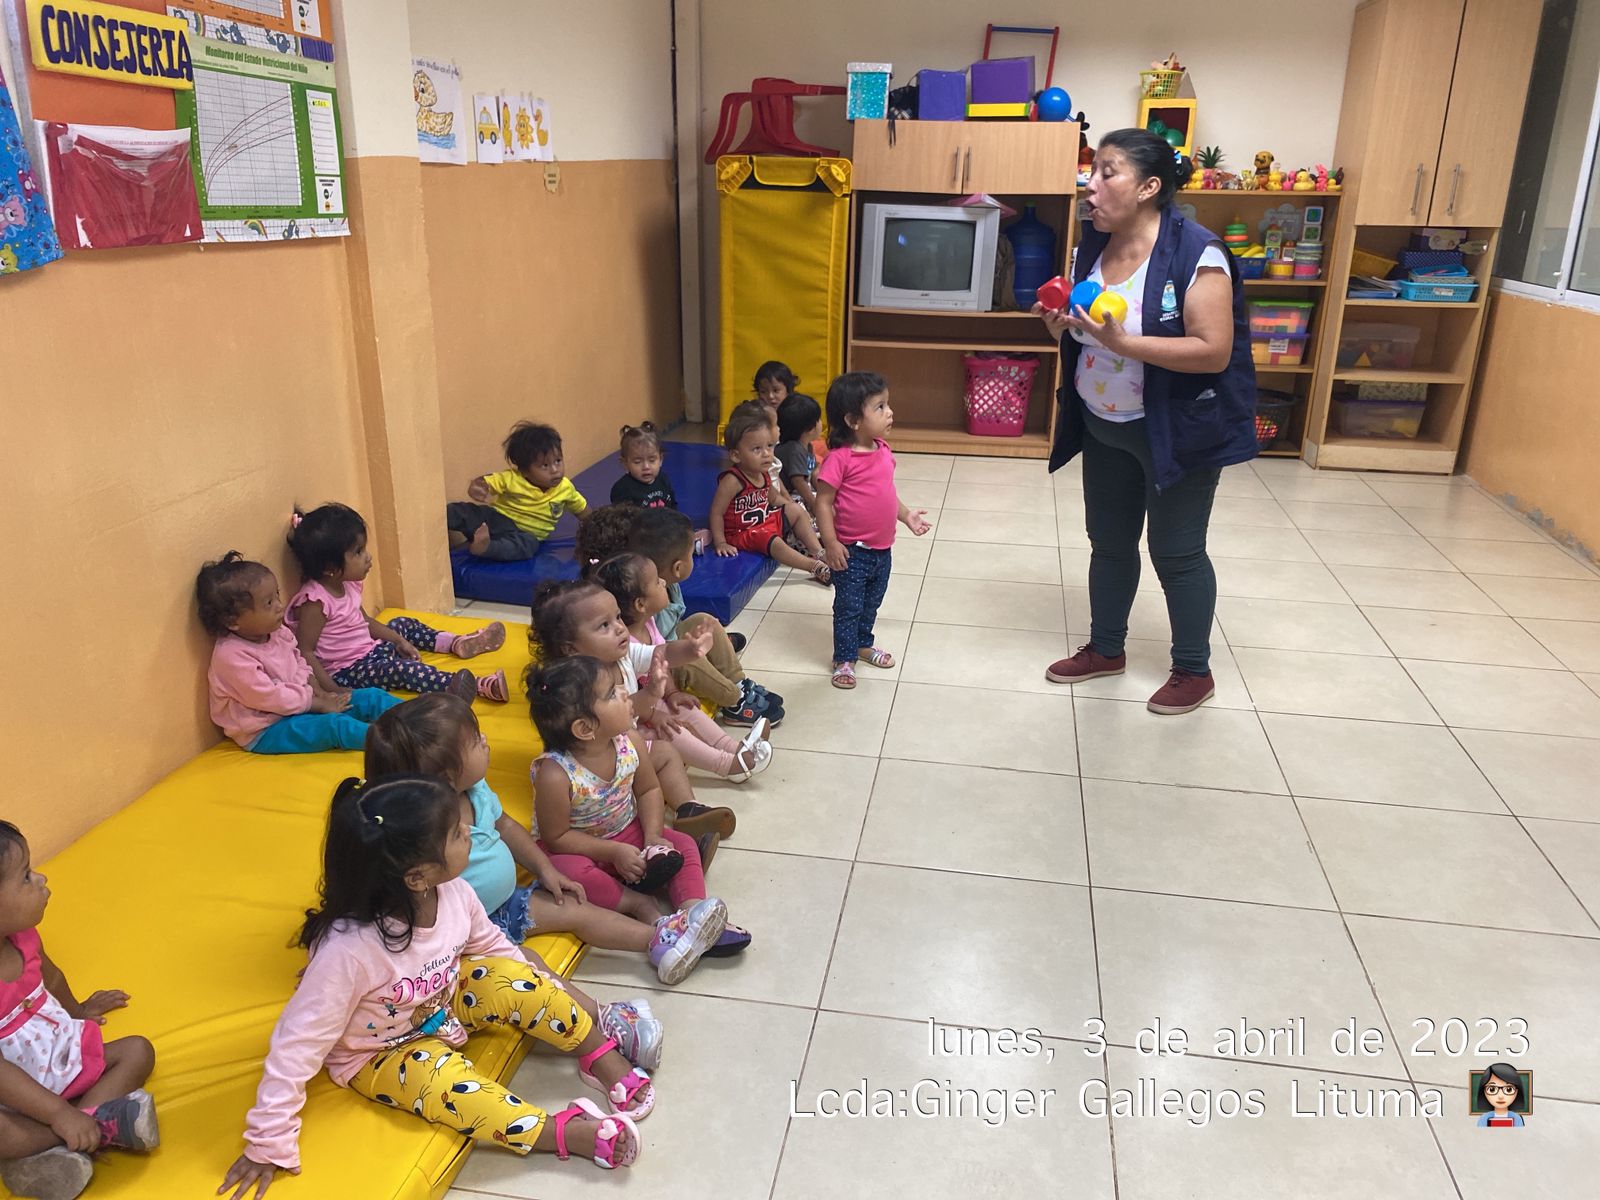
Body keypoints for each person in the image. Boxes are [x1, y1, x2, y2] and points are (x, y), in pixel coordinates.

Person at [218, 776, 644, 1199]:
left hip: (443, 1004)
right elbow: (296, 1045)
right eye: (457, 833)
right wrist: (268, 1140)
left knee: (515, 973)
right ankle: (561, 1132)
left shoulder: (454, 892)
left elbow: (496, 949)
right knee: (451, 1088)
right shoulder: (348, 952)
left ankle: (598, 1053)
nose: (470, 833)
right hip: (382, 1052)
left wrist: (543, 996)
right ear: (417, 877)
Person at [1033, 127, 1258, 715]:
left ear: (1149, 187)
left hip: (1175, 429)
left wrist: (1125, 345)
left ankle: (1194, 671)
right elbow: (1090, 329)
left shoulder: (1198, 253)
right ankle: (1106, 649)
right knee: (1108, 543)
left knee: (1177, 552)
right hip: (1102, 421)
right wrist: (1061, 328)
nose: (1091, 186)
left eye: (1107, 172)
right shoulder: (1092, 245)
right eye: (1092, 172)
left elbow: (1213, 350)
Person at [363, 695, 727, 1004]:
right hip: (468, 932)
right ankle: (596, 1017)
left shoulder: (474, 791)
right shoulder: (424, 834)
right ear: (446, 778)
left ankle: (664, 940)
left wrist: (545, 869)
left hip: (508, 903)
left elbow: (507, 827)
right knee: (529, 966)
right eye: (474, 741)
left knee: (577, 909)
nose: (485, 740)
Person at [528, 657, 750, 958]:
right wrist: (613, 852)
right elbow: (557, 838)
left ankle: (694, 914)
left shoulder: (629, 741)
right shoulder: (555, 774)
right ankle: (639, 904)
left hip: (627, 830)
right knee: (563, 871)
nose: (625, 692)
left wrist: (653, 836)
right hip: (582, 848)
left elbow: (648, 789)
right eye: (612, 693)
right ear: (585, 728)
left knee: (683, 843)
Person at [0, 822, 158, 1200]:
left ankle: (67, 1143)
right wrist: (59, 1114)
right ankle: (96, 1127)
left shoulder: (23, 936)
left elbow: (51, 978)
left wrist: (79, 1011)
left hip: (58, 1054)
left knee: (138, 1050)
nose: (41, 879)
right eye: (25, 877)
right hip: (14, 1094)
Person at [528, 581, 741, 840]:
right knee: (667, 744)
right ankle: (721, 766)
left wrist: (690, 649)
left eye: (617, 617)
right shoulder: (576, 686)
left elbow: (661, 653)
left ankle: (689, 809)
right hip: (594, 755)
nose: (620, 627)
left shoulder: (623, 655)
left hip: (623, 737)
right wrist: (651, 696)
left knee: (669, 744)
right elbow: (617, 716)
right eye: (604, 625)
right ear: (571, 648)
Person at [286, 504, 509, 702]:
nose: (368, 557)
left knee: (402, 623)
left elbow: (364, 622)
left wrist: (398, 640)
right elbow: (306, 651)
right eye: (358, 552)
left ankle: (455, 643)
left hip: (372, 651)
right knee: (403, 670)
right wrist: (334, 690)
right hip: (350, 671)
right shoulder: (316, 602)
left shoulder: (347, 584)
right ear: (330, 568)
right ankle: (474, 686)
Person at [591, 552, 771, 782]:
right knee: (670, 731)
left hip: (648, 702)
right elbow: (625, 707)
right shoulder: (608, 663)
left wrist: (675, 688)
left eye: (617, 618)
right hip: (629, 723)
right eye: (657, 582)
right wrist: (654, 714)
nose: (663, 582)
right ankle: (728, 765)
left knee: (685, 710)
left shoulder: (642, 631)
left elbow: (660, 658)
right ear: (640, 604)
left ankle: (735, 748)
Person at [197, 552, 401, 753]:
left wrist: (320, 692)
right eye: (268, 603)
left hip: (303, 704)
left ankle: (416, 721)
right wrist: (318, 704)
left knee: (371, 697)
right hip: (268, 728)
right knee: (336, 725)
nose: (280, 606)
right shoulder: (231, 657)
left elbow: (300, 662)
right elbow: (271, 698)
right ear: (232, 621)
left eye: (277, 595)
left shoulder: (277, 632)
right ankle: (399, 747)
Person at [814, 373, 931, 690]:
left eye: (887, 404)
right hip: (852, 551)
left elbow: (886, 492)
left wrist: (906, 515)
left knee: (870, 603)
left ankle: (863, 645)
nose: (889, 412)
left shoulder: (882, 449)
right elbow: (823, 503)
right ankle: (844, 659)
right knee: (848, 608)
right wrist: (830, 543)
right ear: (852, 420)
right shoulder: (840, 459)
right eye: (880, 407)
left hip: (882, 550)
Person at [628, 506, 779, 728]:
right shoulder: (649, 603)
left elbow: (674, 628)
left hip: (668, 644)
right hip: (658, 668)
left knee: (704, 619)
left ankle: (738, 681)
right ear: (678, 568)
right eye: (691, 554)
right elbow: (657, 656)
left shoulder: (669, 584)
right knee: (692, 660)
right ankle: (734, 700)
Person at [710, 401, 831, 584]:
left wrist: (795, 510)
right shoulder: (733, 480)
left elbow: (774, 498)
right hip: (743, 533)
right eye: (757, 449)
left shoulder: (763, 473)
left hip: (763, 523)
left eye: (769, 446)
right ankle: (812, 566)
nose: (766, 453)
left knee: (795, 509)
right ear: (736, 455)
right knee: (772, 539)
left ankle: (819, 553)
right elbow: (716, 513)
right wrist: (720, 542)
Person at [447, 421, 588, 561]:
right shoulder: (513, 478)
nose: (555, 470)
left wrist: (594, 527)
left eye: (558, 461)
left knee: (528, 546)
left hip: (526, 534)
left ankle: (486, 547)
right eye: (545, 466)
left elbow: (582, 510)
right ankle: (441, 520)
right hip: (497, 519)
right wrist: (477, 487)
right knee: (465, 512)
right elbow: (487, 481)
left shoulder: (565, 488)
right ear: (524, 471)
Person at [608, 422, 710, 553]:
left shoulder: (663, 479)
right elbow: (621, 525)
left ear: (660, 459)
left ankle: (686, 542)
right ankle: (683, 547)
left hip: (664, 529)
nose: (646, 467)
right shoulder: (622, 489)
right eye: (637, 462)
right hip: (641, 537)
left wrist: (678, 525)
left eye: (652, 460)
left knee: (685, 527)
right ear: (625, 463)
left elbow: (672, 506)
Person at [776, 393, 824, 516]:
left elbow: (812, 473)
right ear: (810, 428)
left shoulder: (807, 446)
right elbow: (798, 481)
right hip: (788, 495)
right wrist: (814, 505)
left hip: (799, 492)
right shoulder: (794, 450)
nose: (821, 423)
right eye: (819, 419)